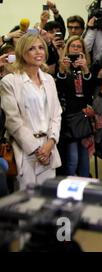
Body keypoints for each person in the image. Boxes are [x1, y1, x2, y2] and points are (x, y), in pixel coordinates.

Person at [0, 33, 62, 190]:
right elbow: (13, 121)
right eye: (32, 49)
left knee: (47, 201)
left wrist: (51, 142)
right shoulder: (10, 81)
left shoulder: (49, 80)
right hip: (25, 149)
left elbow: (56, 115)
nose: (38, 52)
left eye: (41, 47)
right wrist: (36, 149)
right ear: (22, 53)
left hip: (49, 148)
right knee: (26, 205)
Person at [56, 37, 95, 177]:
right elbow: (59, 90)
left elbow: (90, 91)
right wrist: (61, 70)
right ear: (68, 48)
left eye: (79, 46)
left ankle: (85, 188)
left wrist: (85, 69)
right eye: (73, 46)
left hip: (83, 116)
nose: (76, 49)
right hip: (69, 118)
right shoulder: (63, 68)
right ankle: (69, 188)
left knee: (84, 159)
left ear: (83, 51)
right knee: (72, 159)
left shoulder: (86, 70)